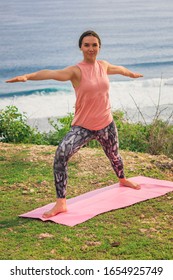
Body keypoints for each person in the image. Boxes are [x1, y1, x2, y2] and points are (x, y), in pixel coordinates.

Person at [6, 30, 143, 218]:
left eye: (94, 45)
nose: (91, 48)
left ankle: (123, 179)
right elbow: (51, 74)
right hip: (83, 127)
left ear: (99, 47)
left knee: (114, 155)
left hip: (106, 123)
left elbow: (119, 69)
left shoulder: (103, 66)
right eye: (87, 45)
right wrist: (28, 77)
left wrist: (132, 74)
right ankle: (61, 203)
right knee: (61, 154)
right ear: (81, 47)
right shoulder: (75, 71)